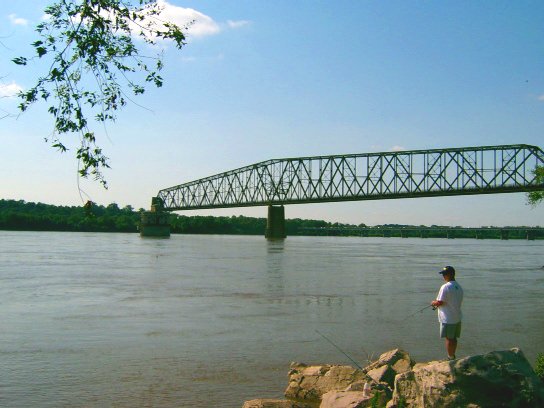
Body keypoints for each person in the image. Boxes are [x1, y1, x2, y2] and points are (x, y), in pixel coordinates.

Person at [431, 265, 463, 360]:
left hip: (448, 318)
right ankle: (453, 356)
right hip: (457, 317)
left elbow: (439, 302)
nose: (443, 276)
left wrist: (433, 302)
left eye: (445, 274)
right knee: (453, 338)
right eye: (443, 274)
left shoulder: (445, 287)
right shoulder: (458, 286)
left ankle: (450, 358)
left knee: (449, 339)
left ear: (451, 274)